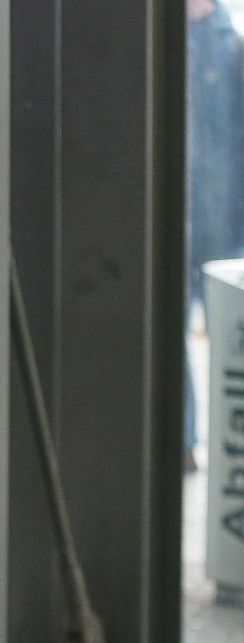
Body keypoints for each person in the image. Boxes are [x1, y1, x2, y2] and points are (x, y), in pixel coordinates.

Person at [187, 0, 244, 466]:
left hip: (225, 225)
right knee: (171, 333)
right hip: (180, 221)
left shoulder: (233, 47)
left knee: (235, 336)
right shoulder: (167, 44)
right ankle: (183, 439)